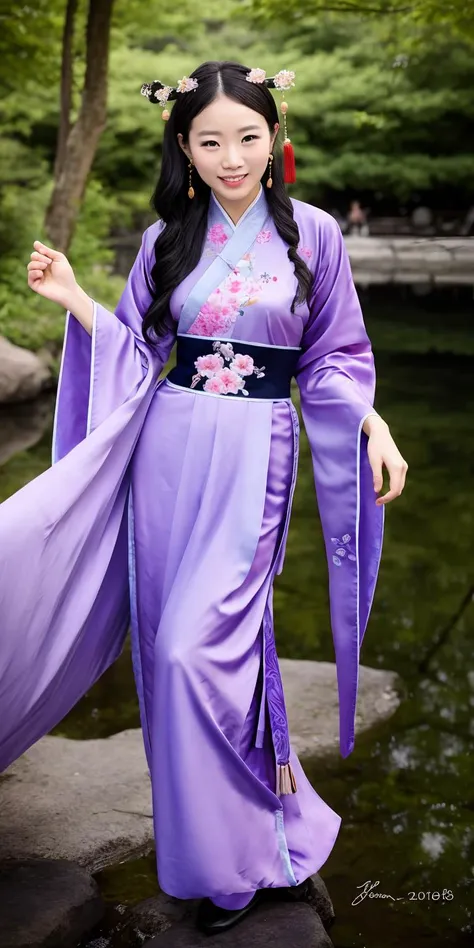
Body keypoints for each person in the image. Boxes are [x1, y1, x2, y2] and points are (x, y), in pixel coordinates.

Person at [0, 60, 408, 935]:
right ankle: (230, 855)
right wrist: (76, 300)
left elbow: (334, 357)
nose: (231, 157)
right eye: (210, 140)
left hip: (252, 452)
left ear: (276, 138)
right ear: (182, 146)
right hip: (165, 452)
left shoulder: (316, 238)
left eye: (248, 137)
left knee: (199, 649)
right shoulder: (165, 242)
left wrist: (372, 425)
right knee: (165, 651)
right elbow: (140, 358)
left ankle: (255, 852)